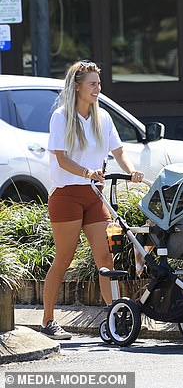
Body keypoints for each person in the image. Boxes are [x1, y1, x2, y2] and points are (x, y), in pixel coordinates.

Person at [41, 60, 144, 340]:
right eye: (92, 84)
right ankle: (48, 320)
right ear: (77, 87)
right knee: (64, 258)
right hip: (67, 195)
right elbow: (61, 158)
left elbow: (119, 151)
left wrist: (131, 170)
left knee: (105, 257)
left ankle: (116, 318)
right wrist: (87, 171)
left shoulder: (104, 118)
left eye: (98, 83)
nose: (97, 88)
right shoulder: (61, 116)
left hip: (94, 195)